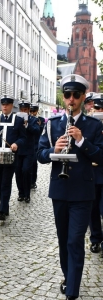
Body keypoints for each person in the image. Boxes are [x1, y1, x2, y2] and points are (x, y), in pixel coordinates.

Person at [37, 74, 103, 300]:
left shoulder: (94, 125)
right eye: (67, 95)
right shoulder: (52, 124)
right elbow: (40, 155)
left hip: (83, 191)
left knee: (75, 240)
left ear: (84, 97)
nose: (71, 99)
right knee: (64, 239)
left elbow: (101, 156)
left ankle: (72, 292)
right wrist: (54, 150)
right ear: (64, 98)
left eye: (76, 95)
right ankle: (68, 276)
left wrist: (83, 142)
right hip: (60, 189)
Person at [0, 95, 26, 221]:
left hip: (10, 156)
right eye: (3, 104)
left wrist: (17, 144)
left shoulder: (18, 120)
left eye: (7, 104)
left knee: (6, 183)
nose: (5, 106)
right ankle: (4, 206)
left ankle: (1, 210)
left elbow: (23, 138)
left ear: (12, 105)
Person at [15, 100, 39, 203]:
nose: (23, 111)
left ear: (29, 110)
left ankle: (27, 194)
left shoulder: (33, 120)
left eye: (25, 109)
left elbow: (37, 131)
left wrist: (27, 125)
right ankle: (21, 193)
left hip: (29, 150)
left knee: (26, 171)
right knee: (18, 172)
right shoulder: (16, 120)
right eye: (22, 109)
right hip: (18, 150)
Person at [88, 93, 103, 255]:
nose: (100, 111)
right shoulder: (90, 125)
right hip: (93, 172)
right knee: (92, 209)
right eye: (97, 108)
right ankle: (96, 239)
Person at [30, 103, 46, 189]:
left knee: (33, 164)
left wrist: (39, 125)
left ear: (37, 111)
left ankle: (33, 181)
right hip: (28, 145)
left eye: (34, 111)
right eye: (31, 111)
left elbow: (41, 131)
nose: (32, 113)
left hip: (36, 144)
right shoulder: (27, 119)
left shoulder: (41, 119)